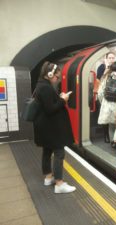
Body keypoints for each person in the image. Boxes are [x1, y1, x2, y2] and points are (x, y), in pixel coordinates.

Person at [33, 61, 76, 194]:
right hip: (51, 128)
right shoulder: (45, 88)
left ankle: (48, 177)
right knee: (59, 153)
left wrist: (59, 98)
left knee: (47, 151)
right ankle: (59, 184)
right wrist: (63, 99)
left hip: (46, 127)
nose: (57, 79)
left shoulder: (41, 85)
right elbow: (50, 109)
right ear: (50, 74)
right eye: (57, 77)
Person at [97, 61, 116, 150]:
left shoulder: (106, 78)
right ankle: (115, 141)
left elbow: (99, 93)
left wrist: (103, 102)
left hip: (106, 105)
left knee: (110, 124)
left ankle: (112, 142)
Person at [94, 52, 116, 143]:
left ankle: (113, 136)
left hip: (113, 94)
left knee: (113, 115)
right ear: (106, 58)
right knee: (105, 115)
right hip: (103, 95)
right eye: (110, 58)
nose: (112, 59)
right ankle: (106, 135)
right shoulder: (102, 67)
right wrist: (106, 69)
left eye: (113, 58)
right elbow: (99, 80)